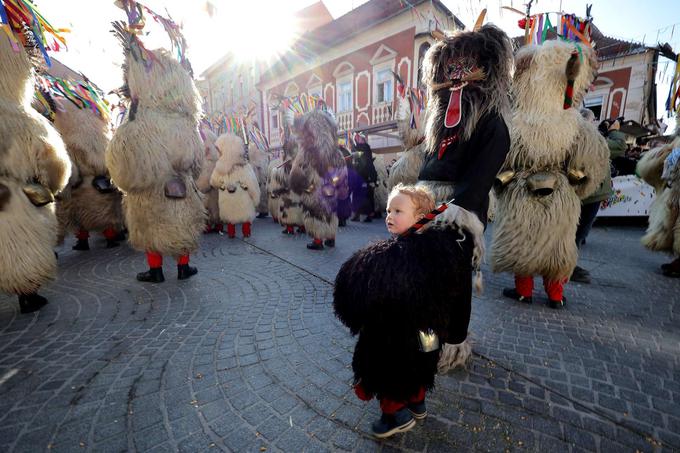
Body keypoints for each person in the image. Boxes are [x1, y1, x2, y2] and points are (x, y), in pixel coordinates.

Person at [334, 184, 473, 438]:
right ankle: (417, 404)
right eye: (388, 210)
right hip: (429, 332)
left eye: (398, 211)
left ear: (421, 218)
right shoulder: (439, 252)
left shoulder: (392, 257)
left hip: (398, 334)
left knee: (392, 369)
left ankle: (394, 414)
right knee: (421, 365)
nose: (389, 216)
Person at [416, 23, 513, 372]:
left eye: (466, 65)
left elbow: (479, 178)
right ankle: (427, 344)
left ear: (486, 67)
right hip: (426, 211)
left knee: (454, 286)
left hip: (459, 216)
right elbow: (428, 167)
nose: (456, 75)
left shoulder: (493, 124)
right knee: (422, 285)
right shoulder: (438, 121)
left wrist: (446, 212)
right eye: (450, 67)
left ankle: (452, 347)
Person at [492, 39, 609, 307]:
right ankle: (556, 296)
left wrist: (502, 185)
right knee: (558, 246)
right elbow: (588, 166)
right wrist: (576, 185)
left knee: (522, 240)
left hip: (521, 192)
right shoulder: (575, 124)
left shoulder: (515, 125)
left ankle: (524, 291)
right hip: (561, 194)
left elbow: (502, 163)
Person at [571, 116, 625, 283]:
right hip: (589, 193)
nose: (595, 122)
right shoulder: (588, 139)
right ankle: (567, 266)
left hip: (588, 192)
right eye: (592, 119)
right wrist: (614, 130)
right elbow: (619, 146)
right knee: (577, 233)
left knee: (577, 232)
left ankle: (568, 264)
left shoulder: (585, 137)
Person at [210, 134, 260, 238]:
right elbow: (252, 183)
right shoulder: (244, 166)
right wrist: (255, 198)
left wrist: (222, 185)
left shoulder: (220, 168)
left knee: (229, 217)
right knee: (246, 217)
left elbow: (214, 181)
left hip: (227, 199)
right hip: (243, 199)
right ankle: (246, 232)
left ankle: (231, 233)